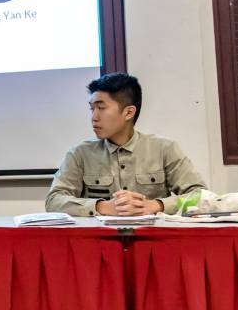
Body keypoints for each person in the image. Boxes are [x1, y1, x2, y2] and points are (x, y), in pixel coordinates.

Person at [46, 73, 206, 217]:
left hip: (152, 241)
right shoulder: (80, 154)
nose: (94, 117)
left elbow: (201, 196)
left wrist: (157, 205)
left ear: (128, 112)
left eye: (101, 108)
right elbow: (53, 200)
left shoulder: (164, 149)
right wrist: (102, 207)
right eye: (92, 108)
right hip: (99, 243)